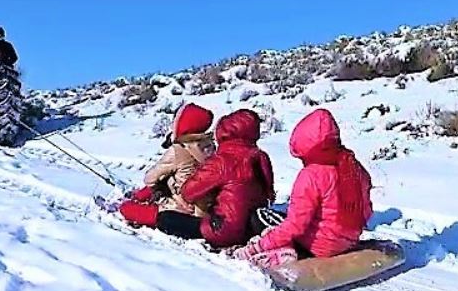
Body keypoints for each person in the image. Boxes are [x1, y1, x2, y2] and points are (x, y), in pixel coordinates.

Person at [232, 109, 373, 269]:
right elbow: (366, 211)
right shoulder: (354, 167)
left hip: (317, 246)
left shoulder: (312, 175)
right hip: (348, 241)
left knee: (260, 217)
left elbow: (295, 225)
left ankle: (285, 251)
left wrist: (260, 246)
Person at [179, 109, 275, 249]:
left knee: (167, 219)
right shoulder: (260, 157)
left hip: (223, 230)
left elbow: (188, 192)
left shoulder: (222, 161)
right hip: (252, 227)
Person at [119, 103, 216, 231]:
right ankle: (140, 196)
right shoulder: (210, 146)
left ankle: (141, 203)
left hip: (182, 206)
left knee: (126, 208)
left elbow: (150, 178)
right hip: (205, 205)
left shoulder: (178, 150)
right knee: (169, 178)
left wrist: (157, 187)